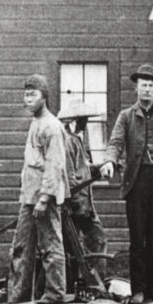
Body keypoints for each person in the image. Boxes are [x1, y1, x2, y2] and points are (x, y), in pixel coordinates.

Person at [100, 64, 153, 304]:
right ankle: (137, 290)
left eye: (151, 86)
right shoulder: (126, 116)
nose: (147, 89)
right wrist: (109, 161)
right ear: (136, 88)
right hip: (136, 183)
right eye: (143, 85)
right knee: (138, 239)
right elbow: (115, 143)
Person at [8, 74, 69, 304]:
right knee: (21, 247)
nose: (28, 99)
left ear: (44, 97)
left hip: (44, 198)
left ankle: (55, 292)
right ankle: (18, 296)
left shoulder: (52, 126)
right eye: (26, 95)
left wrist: (45, 198)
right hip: (29, 197)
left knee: (50, 244)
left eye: (33, 94)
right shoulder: (35, 123)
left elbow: (55, 165)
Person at [57, 99, 108, 278]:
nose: (85, 125)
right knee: (92, 241)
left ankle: (91, 281)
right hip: (77, 207)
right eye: (82, 120)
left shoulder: (76, 141)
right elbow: (69, 178)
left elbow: (83, 169)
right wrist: (78, 205)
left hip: (85, 205)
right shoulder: (67, 143)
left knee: (92, 242)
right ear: (73, 121)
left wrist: (101, 167)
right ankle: (89, 281)